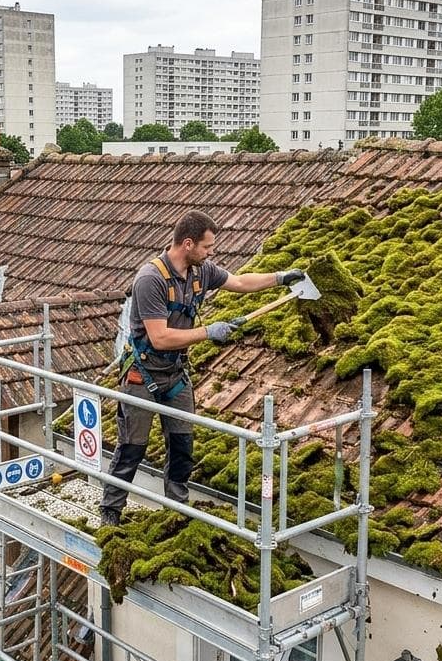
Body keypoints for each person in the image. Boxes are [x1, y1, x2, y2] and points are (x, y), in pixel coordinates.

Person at [100, 210, 305, 526]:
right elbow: (160, 337)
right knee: (132, 448)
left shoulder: (201, 271)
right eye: (207, 247)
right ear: (188, 244)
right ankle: (111, 510)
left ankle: (177, 510)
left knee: (182, 447)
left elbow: (240, 282)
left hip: (176, 376)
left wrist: (280, 278)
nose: (211, 252)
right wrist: (208, 332)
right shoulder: (151, 279)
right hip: (143, 374)